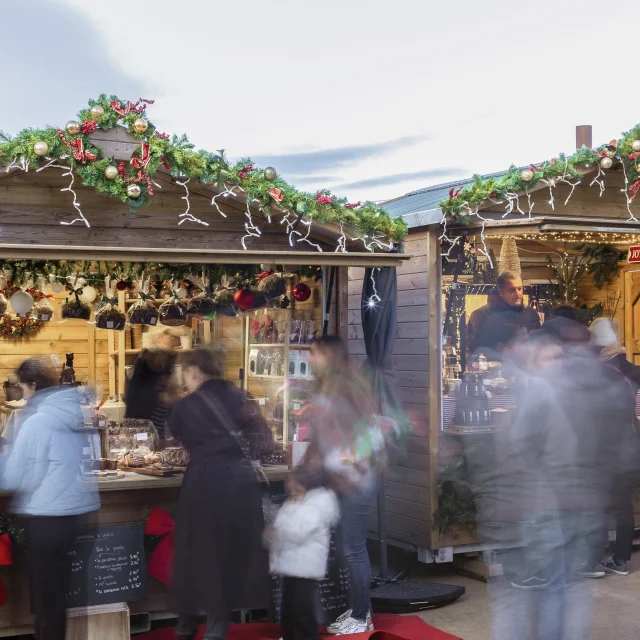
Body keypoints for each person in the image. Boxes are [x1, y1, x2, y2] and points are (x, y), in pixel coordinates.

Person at [168, 348, 270, 640]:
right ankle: (216, 630)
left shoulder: (186, 406)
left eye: (184, 372)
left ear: (194, 371)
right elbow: (265, 441)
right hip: (239, 485)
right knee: (229, 556)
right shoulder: (243, 397)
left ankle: (185, 628)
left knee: (194, 556)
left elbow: (179, 435)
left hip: (203, 485)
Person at [1, 357, 100, 640]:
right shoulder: (75, 412)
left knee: (48, 596)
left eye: (22, 388)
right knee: (57, 593)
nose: (21, 394)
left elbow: (18, 477)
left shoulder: (38, 421)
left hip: (47, 519)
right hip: (76, 514)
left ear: (33, 385)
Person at [304, 335, 379, 636]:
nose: (309, 358)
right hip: (348, 475)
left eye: (313, 352)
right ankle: (362, 611)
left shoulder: (344, 387)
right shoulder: (334, 385)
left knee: (354, 548)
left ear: (328, 355)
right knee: (350, 547)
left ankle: (361, 616)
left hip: (356, 477)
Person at [590, 317, 640, 577]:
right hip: (630, 446)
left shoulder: (597, 372)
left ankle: (596, 561)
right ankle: (621, 561)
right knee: (623, 505)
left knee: (597, 503)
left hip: (604, 447)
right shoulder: (631, 368)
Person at [270, 466, 339, 640]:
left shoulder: (317, 505)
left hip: (305, 567)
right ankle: (290, 635)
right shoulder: (296, 501)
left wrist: (278, 528)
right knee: (289, 608)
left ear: (303, 484)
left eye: (291, 480)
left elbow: (298, 532)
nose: (287, 484)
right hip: (291, 565)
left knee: (302, 610)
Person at [467, 271, 541, 354]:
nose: (518, 294)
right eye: (511, 290)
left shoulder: (531, 313)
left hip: (526, 365)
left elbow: (539, 345)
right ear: (500, 291)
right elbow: (474, 350)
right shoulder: (482, 315)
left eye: (520, 289)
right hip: (495, 364)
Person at [125, 333, 178, 441]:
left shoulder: (159, 365)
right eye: (170, 338)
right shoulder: (145, 363)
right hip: (142, 430)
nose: (173, 342)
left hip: (151, 430)